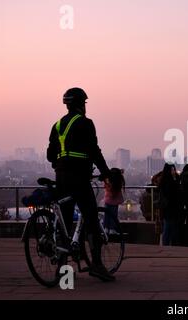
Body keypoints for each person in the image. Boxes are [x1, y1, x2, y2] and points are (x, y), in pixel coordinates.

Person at [46, 87, 114, 281]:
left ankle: (62, 268)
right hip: (80, 178)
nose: (85, 107)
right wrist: (106, 173)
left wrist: (61, 163)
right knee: (91, 218)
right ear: (80, 104)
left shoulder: (57, 125)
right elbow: (94, 150)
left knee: (65, 222)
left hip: (62, 177)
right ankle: (97, 265)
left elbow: (50, 155)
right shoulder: (85, 123)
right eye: (84, 103)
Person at [159, 163, 182, 246]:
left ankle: (169, 244)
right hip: (169, 207)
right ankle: (167, 244)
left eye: (174, 169)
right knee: (168, 226)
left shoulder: (171, 179)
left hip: (172, 207)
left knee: (171, 226)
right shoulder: (167, 181)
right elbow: (171, 192)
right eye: (172, 170)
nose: (173, 171)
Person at [103, 168, 125, 235]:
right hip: (114, 202)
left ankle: (106, 228)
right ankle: (112, 229)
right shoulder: (117, 182)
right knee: (113, 216)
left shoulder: (108, 181)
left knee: (106, 215)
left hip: (107, 201)